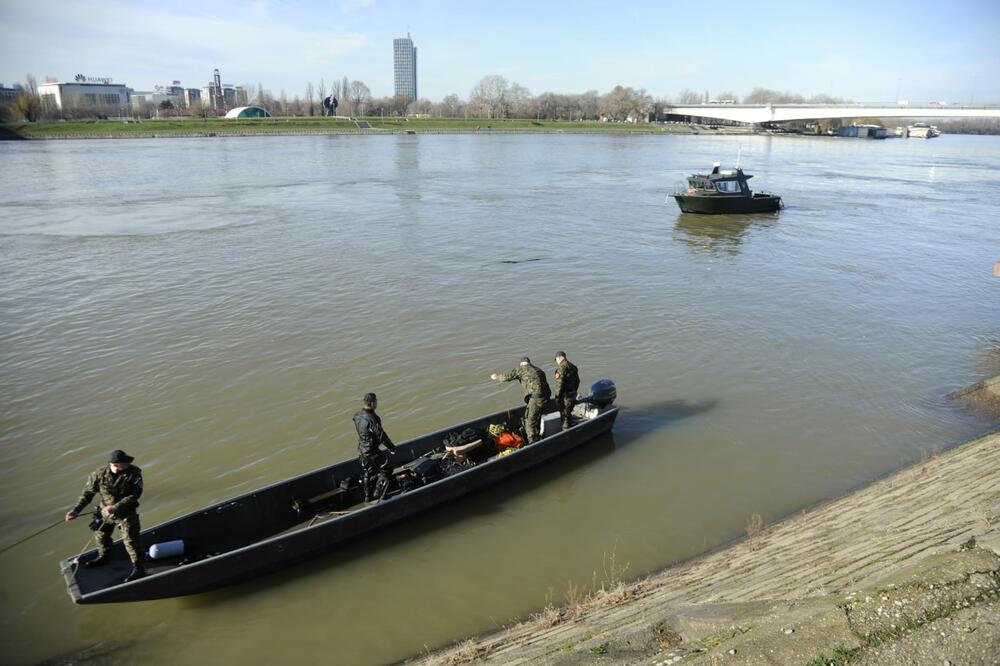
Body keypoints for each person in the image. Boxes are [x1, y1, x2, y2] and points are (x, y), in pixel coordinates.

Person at [65, 449, 145, 583]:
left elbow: (134, 495)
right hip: (105, 513)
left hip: (125, 512)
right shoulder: (98, 474)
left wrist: (115, 507)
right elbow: (88, 494)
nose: (128, 464)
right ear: (115, 464)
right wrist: (76, 511)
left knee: (131, 541)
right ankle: (104, 557)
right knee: (101, 536)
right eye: (125, 462)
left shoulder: (134, 473)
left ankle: (139, 568)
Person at [491, 357, 551, 444]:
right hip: (545, 398)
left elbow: (507, 377)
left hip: (535, 399)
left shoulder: (522, 369)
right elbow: (546, 386)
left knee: (529, 422)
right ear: (529, 363)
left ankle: (532, 443)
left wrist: (496, 377)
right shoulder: (539, 370)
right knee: (536, 418)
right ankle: (537, 437)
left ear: (521, 364)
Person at [353, 392, 397, 501]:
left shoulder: (357, 415)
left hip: (361, 449)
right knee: (387, 470)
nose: (377, 403)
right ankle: (379, 493)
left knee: (368, 472)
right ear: (372, 403)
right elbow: (381, 435)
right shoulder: (373, 418)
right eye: (376, 401)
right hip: (371, 451)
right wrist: (391, 448)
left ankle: (367, 497)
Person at [553, 351, 581, 429]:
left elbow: (559, 384)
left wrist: (557, 397)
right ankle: (570, 427)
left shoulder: (561, 368)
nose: (556, 362)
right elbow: (578, 381)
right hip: (572, 394)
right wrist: (573, 391)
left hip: (565, 397)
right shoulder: (573, 366)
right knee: (568, 414)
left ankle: (566, 434)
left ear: (559, 358)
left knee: (564, 417)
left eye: (556, 360)